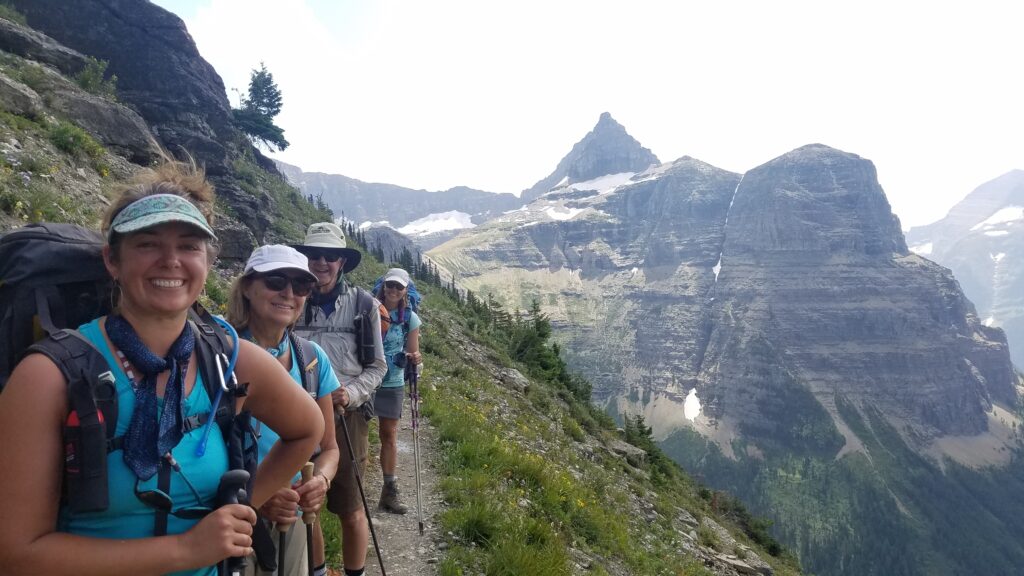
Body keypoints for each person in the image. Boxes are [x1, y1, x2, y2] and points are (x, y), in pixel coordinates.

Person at [0, 160, 324, 576]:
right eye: (147, 243)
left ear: (207, 262)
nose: (171, 261)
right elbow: (15, 554)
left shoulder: (228, 358)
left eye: (189, 245)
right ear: (112, 261)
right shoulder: (50, 374)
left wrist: (242, 510)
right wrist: (188, 550)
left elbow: (307, 428)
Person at [226, 245, 342, 576]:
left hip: (291, 515)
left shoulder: (311, 358)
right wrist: (259, 495)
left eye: (301, 286)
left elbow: (329, 448)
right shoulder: (217, 352)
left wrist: (320, 481)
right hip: (229, 516)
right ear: (247, 287)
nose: (289, 293)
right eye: (276, 281)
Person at [291, 222, 386, 576]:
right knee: (304, 503)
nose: (321, 262)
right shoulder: (291, 298)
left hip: (347, 417)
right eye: (314, 255)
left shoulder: (364, 305)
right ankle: (317, 570)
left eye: (330, 256)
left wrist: (352, 393)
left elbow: (377, 366)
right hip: (295, 418)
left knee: (350, 507)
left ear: (342, 262)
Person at [371, 268, 422, 514]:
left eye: (398, 287)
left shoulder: (410, 318)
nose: (392, 290)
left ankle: (389, 491)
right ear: (383, 285)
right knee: (356, 433)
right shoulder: (368, 309)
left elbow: (413, 349)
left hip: (392, 380)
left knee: (388, 435)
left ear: (405, 290)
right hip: (366, 379)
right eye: (389, 285)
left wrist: (415, 357)